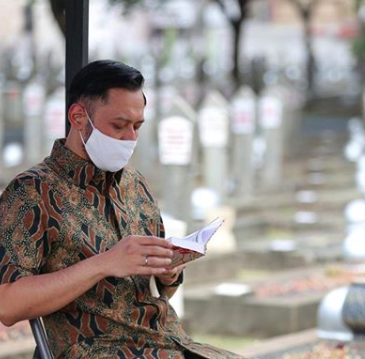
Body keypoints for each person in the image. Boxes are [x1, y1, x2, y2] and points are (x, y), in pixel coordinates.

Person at [0, 60, 245, 359]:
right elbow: (7, 305)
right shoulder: (32, 192)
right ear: (79, 117)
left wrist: (169, 271)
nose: (130, 138)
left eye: (137, 126)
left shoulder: (135, 185)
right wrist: (105, 263)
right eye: (118, 125)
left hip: (167, 341)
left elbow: (161, 288)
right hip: (98, 349)